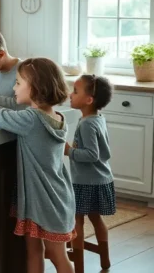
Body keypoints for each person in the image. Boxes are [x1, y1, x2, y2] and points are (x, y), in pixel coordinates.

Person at [0, 58, 75, 273]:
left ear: (35, 87)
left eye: (18, 83)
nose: (14, 88)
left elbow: (0, 116)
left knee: (54, 256)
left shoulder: (31, 119)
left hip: (47, 200)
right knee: (38, 253)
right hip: (46, 198)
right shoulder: (55, 116)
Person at [66, 75, 115, 270]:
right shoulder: (98, 119)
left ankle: (78, 266)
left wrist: (69, 151)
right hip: (101, 179)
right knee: (96, 218)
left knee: (77, 219)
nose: (70, 94)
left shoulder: (87, 124)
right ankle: (105, 259)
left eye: (75, 91)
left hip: (85, 182)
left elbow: (92, 155)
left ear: (88, 100)